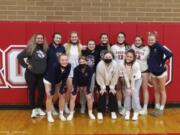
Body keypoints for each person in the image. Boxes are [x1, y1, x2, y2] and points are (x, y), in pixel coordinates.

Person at [17, 33, 48, 118]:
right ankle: (33, 109)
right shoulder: (30, 48)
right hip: (31, 74)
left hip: (42, 75)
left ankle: (38, 108)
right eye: (38, 38)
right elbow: (19, 57)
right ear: (35, 39)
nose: (40, 40)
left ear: (43, 40)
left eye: (41, 38)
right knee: (32, 91)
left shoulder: (46, 49)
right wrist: (26, 65)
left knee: (41, 92)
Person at [147, 32, 173, 117]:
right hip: (153, 73)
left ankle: (161, 109)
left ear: (155, 40)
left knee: (162, 90)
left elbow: (169, 54)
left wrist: (162, 61)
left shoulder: (158, 46)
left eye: (152, 40)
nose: (150, 41)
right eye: (149, 40)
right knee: (156, 90)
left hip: (161, 72)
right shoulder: (149, 48)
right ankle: (157, 108)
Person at [44, 54, 71, 122]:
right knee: (49, 96)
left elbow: (65, 77)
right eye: (62, 60)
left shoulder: (69, 65)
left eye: (66, 60)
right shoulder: (55, 66)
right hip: (49, 81)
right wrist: (53, 90)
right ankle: (49, 115)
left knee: (62, 95)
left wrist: (62, 88)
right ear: (59, 60)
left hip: (58, 81)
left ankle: (61, 114)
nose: (64, 62)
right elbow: (53, 79)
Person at [67, 56, 95, 120]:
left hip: (86, 85)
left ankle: (90, 113)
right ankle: (71, 113)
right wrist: (75, 89)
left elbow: (89, 80)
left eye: (83, 62)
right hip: (77, 84)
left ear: (86, 62)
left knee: (89, 97)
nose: (82, 63)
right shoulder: (76, 69)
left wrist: (87, 89)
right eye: (80, 62)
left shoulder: (90, 69)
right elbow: (75, 80)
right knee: (72, 97)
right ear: (78, 62)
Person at [111, 32, 131, 115]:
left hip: (126, 71)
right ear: (117, 38)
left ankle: (126, 107)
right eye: (119, 37)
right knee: (118, 89)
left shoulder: (128, 47)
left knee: (125, 89)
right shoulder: (113, 47)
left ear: (124, 38)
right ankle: (119, 105)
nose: (120, 38)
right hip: (116, 71)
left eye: (122, 37)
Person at [119, 49, 142, 121]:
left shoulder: (136, 65)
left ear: (134, 58)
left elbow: (133, 77)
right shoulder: (122, 64)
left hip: (137, 79)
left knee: (134, 93)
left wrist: (132, 88)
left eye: (130, 57)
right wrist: (129, 88)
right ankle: (127, 111)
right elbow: (125, 76)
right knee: (127, 94)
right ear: (125, 56)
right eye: (127, 56)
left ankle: (136, 111)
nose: (128, 58)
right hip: (128, 79)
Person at [46, 32, 65, 116]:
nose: (58, 39)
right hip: (49, 73)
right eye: (57, 38)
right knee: (50, 93)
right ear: (53, 38)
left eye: (59, 38)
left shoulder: (62, 48)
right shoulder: (48, 48)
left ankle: (52, 105)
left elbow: (64, 60)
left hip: (59, 74)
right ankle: (51, 109)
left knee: (58, 92)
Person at [96, 51, 119, 120]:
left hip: (112, 82)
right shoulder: (100, 64)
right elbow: (99, 76)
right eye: (106, 57)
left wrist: (112, 87)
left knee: (112, 93)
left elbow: (115, 75)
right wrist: (102, 87)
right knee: (102, 93)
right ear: (103, 57)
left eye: (109, 57)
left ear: (112, 57)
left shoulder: (115, 64)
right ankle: (100, 112)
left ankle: (112, 111)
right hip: (102, 82)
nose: (108, 58)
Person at [64, 31, 83, 114]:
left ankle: (76, 106)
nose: (74, 38)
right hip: (68, 70)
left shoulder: (80, 46)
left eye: (75, 36)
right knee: (69, 89)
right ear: (70, 38)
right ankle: (65, 106)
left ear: (77, 37)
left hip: (77, 71)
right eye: (72, 37)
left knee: (76, 90)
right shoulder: (66, 46)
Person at [132, 36, 150, 115]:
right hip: (135, 72)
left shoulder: (146, 48)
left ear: (142, 41)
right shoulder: (132, 46)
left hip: (144, 71)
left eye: (139, 40)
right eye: (136, 40)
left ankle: (145, 108)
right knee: (135, 90)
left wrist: (135, 54)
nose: (137, 41)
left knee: (144, 89)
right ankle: (136, 106)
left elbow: (142, 57)